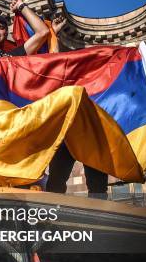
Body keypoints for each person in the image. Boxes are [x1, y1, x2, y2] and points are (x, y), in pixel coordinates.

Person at [45, 15, 109, 197]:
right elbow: (53, 62)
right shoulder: (63, 76)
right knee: (56, 179)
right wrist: (54, 35)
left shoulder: (96, 80)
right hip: (67, 134)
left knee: (97, 183)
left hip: (89, 133)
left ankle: (100, 213)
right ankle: (51, 215)